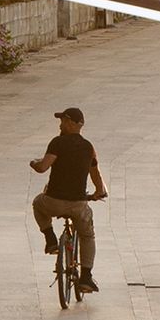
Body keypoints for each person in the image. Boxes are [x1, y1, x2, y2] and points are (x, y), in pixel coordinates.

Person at [30, 106, 108, 293]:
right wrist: (98, 192)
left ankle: (50, 240)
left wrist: (34, 163)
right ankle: (86, 278)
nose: (60, 125)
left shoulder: (57, 143)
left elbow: (43, 167)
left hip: (53, 201)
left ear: (73, 123)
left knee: (37, 203)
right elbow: (96, 175)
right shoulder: (89, 147)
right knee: (87, 235)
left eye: (63, 121)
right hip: (78, 205)